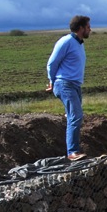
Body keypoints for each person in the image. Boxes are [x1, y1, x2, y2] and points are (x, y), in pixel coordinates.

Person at [45, 15, 92, 161]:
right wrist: (52, 81)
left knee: (73, 116)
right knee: (75, 116)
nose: (90, 29)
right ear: (80, 28)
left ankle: (73, 149)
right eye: (88, 27)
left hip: (75, 85)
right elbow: (52, 63)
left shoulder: (79, 44)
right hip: (65, 84)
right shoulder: (66, 41)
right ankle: (72, 152)